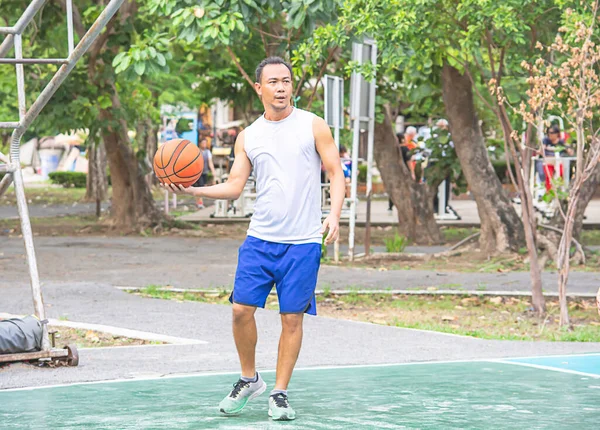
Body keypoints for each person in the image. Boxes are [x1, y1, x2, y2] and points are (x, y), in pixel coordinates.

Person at [163, 56, 345, 421]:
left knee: (292, 318)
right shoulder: (249, 136)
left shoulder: (313, 125)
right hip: (260, 239)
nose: (281, 87)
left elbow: (336, 172)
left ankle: (279, 392)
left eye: (287, 81)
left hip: (303, 241)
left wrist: (335, 214)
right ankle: (250, 379)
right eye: (273, 82)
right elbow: (234, 186)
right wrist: (192, 190)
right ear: (259, 88)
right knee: (240, 311)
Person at [541, 124, 573, 191]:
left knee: (561, 174)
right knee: (549, 177)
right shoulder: (546, 140)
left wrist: (569, 150)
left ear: (557, 133)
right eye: (549, 133)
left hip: (558, 161)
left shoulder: (561, 142)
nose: (550, 134)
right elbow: (542, 149)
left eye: (552, 133)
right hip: (548, 161)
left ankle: (560, 191)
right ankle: (549, 192)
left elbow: (568, 149)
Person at [194, 138, 217, 209]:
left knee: (204, 186)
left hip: (205, 171)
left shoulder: (208, 152)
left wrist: (213, 172)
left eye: (205, 143)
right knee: (200, 186)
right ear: (200, 144)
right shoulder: (196, 151)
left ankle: (199, 202)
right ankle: (199, 202)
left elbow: (210, 162)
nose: (204, 144)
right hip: (198, 172)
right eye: (203, 143)